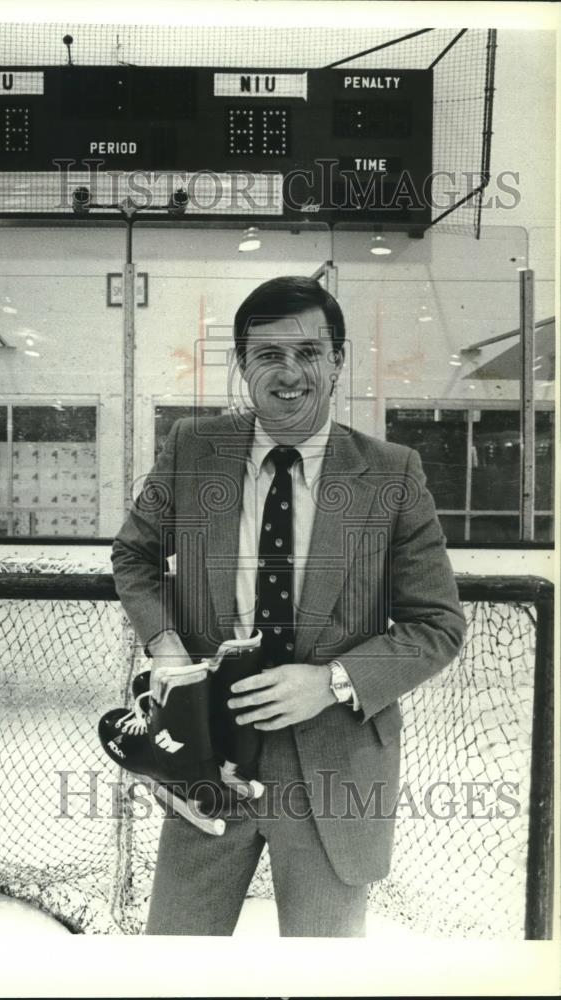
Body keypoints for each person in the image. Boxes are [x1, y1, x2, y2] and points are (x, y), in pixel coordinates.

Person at [111, 276, 466, 937]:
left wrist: (331, 683)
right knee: (174, 963)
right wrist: (170, 655)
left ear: (338, 359)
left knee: (323, 971)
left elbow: (437, 625)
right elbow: (133, 557)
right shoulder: (195, 449)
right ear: (242, 364)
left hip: (335, 767)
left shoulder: (392, 473)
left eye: (309, 351)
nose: (290, 371)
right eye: (268, 353)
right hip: (208, 757)